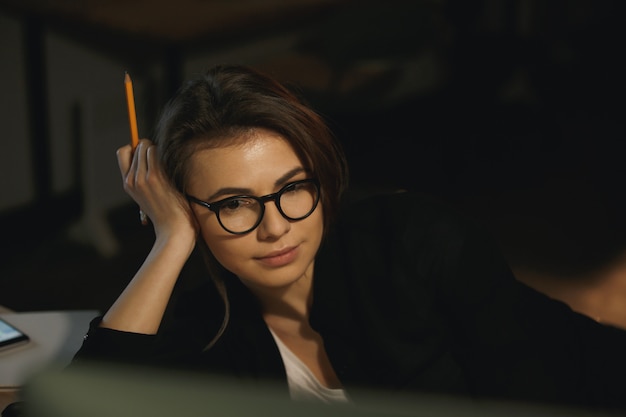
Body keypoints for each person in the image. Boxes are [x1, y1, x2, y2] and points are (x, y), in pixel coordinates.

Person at [71, 64, 626, 412]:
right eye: (233, 203)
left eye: (292, 187)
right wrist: (167, 242)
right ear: (186, 210)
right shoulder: (205, 324)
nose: (275, 226)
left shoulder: (416, 243)